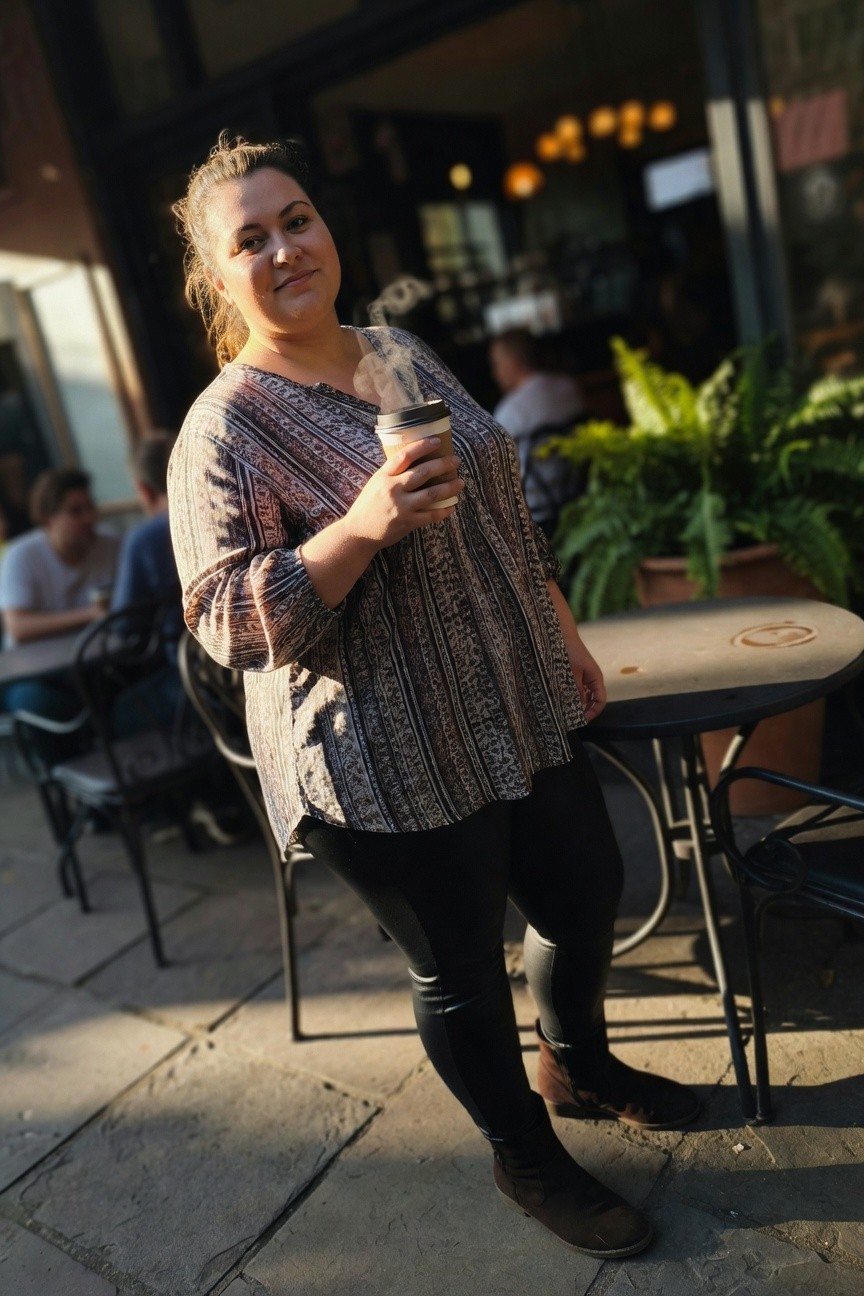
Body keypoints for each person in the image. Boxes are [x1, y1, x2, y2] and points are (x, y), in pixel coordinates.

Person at [168, 135, 699, 1261]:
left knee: (588, 885)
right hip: (381, 745)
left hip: (511, 689)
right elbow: (224, 620)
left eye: (297, 219)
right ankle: (526, 1157)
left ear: (327, 227)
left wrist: (558, 630)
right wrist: (361, 525)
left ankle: (578, 1064)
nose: (284, 249)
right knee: (458, 970)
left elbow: (500, 495)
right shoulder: (223, 428)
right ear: (218, 279)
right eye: (249, 241)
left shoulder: (397, 348)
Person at [0, 468, 119, 757]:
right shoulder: (22, 556)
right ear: (47, 517)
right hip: (37, 676)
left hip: (98, 663)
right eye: (75, 512)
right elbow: (18, 628)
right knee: (40, 704)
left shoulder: (112, 545)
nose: (89, 518)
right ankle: (73, 784)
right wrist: (90, 615)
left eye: (90, 507)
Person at [488, 329, 585, 534]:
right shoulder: (568, 388)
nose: (496, 374)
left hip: (537, 512)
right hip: (579, 494)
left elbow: (500, 475)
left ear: (513, 362)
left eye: (497, 364)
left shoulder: (510, 410)